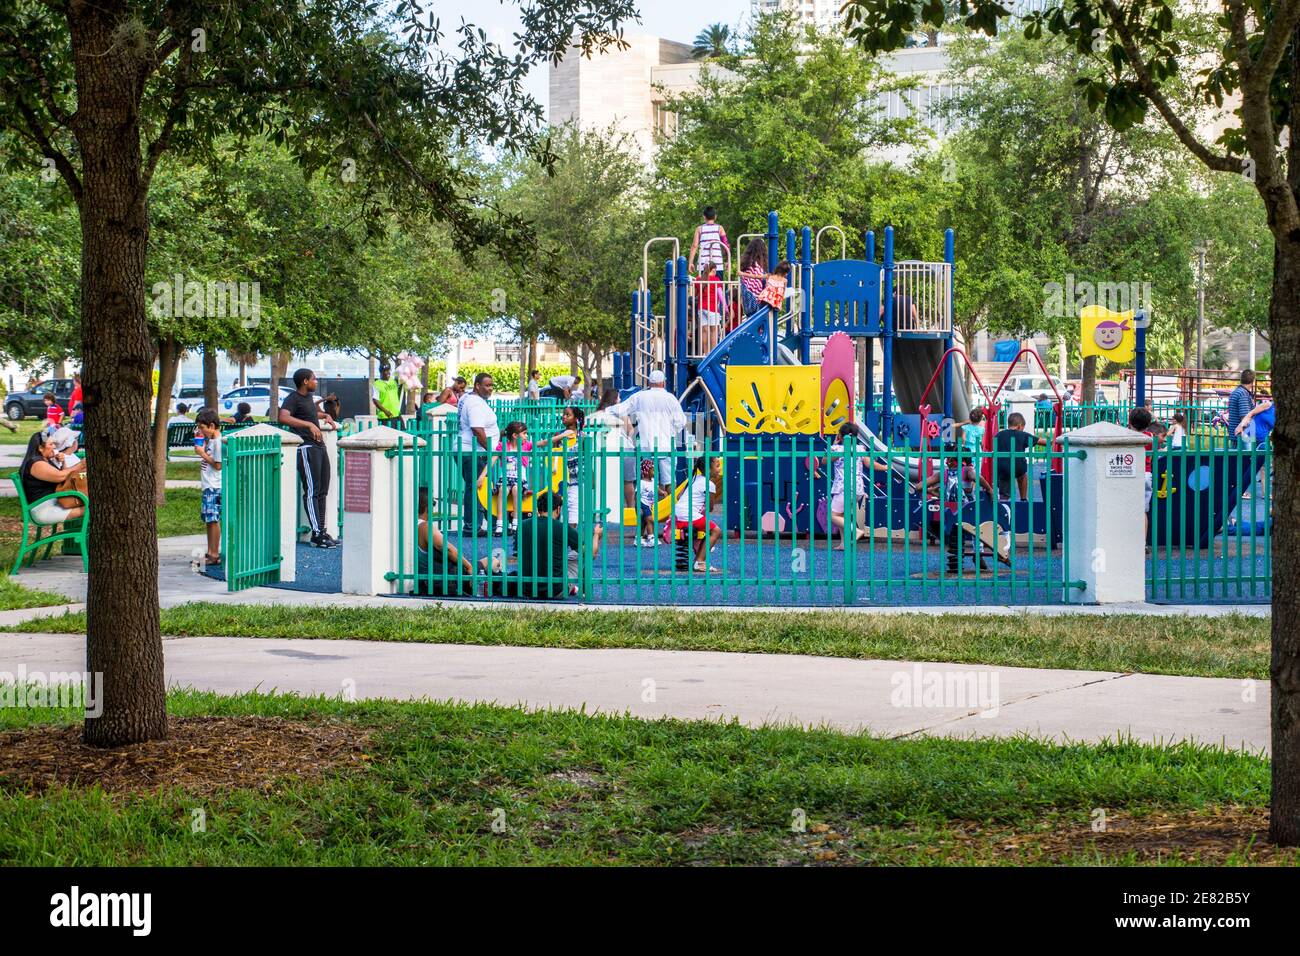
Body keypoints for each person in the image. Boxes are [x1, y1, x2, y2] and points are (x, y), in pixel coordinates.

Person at [607, 369, 688, 511]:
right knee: (669, 480)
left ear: (649, 382)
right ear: (663, 382)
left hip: (646, 445)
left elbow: (621, 409)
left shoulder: (640, 396)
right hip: (666, 445)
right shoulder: (670, 398)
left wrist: (604, 410)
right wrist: (671, 432)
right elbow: (681, 421)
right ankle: (673, 511)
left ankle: (645, 511)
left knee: (647, 481)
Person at [278, 367, 339, 549]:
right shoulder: (292, 398)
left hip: (319, 446)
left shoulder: (308, 400)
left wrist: (326, 415)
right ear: (305, 381)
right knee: (312, 491)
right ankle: (316, 534)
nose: (316, 382)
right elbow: (283, 417)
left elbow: (311, 413)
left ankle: (322, 529)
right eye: (314, 379)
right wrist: (308, 425)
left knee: (322, 490)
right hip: (306, 447)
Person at [918, 443, 999, 573]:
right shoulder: (967, 470)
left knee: (956, 533)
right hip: (967, 511)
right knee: (978, 525)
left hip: (947, 512)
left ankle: (957, 553)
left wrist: (934, 492)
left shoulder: (942, 474)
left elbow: (919, 487)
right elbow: (976, 477)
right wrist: (989, 489)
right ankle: (978, 553)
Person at [415, 489, 496, 596]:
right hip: (447, 578)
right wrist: (468, 567)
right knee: (493, 561)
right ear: (428, 507)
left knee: (492, 563)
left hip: (433, 579)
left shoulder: (411, 526)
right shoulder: (425, 527)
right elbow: (446, 548)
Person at [513, 491, 584, 598]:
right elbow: (590, 554)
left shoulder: (522, 525)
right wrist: (597, 535)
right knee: (578, 555)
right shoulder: (562, 527)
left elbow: (518, 554)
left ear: (538, 508)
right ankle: (575, 588)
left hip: (527, 589)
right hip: (556, 591)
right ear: (558, 509)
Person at [457, 372, 500, 537]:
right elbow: (477, 429)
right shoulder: (476, 404)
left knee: (476, 487)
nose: (490, 389)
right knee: (476, 488)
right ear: (477, 385)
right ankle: (472, 526)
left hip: (468, 449)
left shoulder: (467, 398)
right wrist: (491, 450)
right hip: (473, 451)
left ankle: (488, 523)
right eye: (487, 385)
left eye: (491, 386)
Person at [19, 429, 87, 526]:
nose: (54, 447)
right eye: (51, 445)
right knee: (94, 508)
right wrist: (81, 464)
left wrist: (63, 462)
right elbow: (60, 477)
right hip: (43, 510)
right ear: (40, 448)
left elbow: (65, 477)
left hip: (53, 503)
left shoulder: (45, 460)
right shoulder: (36, 464)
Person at [669, 455, 723, 573]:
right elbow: (710, 507)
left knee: (707, 528)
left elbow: (679, 496)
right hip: (688, 514)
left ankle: (699, 560)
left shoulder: (694, 478)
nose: (719, 469)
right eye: (717, 466)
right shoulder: (710, 485)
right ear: (708, 469)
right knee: (716, 531)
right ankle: (700, 562)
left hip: (679, 512)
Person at [993, 412, 1047, 501]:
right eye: (1023, 428)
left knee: (1004, 483)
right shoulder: (1023, 435)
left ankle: (1003, 501)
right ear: (1019, 426)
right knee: (1022, 476)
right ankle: (1023, 498)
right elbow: (1043, 442)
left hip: (1003, 467)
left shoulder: (999, 435)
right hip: (1018, 466)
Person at [194, 408, 223, 566]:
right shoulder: (211, 441)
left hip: (214, 486)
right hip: (208, 485)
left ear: (211, 425)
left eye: (202, 427)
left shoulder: (218, 442)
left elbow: (218, 465)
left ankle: (214, 553)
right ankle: (210, 551)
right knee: (209, 520)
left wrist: (202, 454)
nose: (200, 430)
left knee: (213, 520)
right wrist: (203, 443)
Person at [493, 421, 532, 535]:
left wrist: (561, 436)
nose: (527, 436)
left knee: (516, 489)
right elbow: (492, 460)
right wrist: (481, 477)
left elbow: (543, 443)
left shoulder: (526, 446)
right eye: (524, 433)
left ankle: (516, 523)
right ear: (515, 435)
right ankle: (499, 525)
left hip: (519, 480)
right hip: (505, 478)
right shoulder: (503, 446)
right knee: (502, 490)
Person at [696, 261, 727, 355]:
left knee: (705, 331)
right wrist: (726, 308)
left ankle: (706, 353)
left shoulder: (699, 279)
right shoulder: (716, 280)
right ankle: (713, 353)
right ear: (713, 269)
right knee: (714, 331)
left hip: (701, 308)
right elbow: (721, 295)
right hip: (712, 308)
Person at [689, 206, 730, 275]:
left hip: (703, 264)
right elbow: (726, 245)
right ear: (715, 216)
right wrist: (728, 261)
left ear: (704, 217)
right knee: (718, 285)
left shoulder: (699, 229)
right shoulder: (720, 228)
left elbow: (694, 246)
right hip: (717, 264)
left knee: (703, 285)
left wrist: (690, 262)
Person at [1227, 370, 1257, 447]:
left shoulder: (1236, 392)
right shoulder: (1243, 394)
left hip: (1236, 433)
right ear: (1253, 381)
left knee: (1236, 458)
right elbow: (1245, 417)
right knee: (1247, 458)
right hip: (1244, 435)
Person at [738, 238, 768, 318]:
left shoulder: (746, 264)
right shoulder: (757, 265)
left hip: (747, 302)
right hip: (757, 302)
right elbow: (760, 279)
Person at [636, 459, 658, 547]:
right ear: (647, 471)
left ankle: (638, 538)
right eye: (653, 470)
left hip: (649, 506)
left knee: (643, 523)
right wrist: (638, 507)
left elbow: (656, 489)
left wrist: (662, 492)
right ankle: (651, 538)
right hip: (643, 504)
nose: (654, 471)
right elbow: (637, 496)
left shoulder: (652, 481)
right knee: (650, 520)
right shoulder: (642, 483)